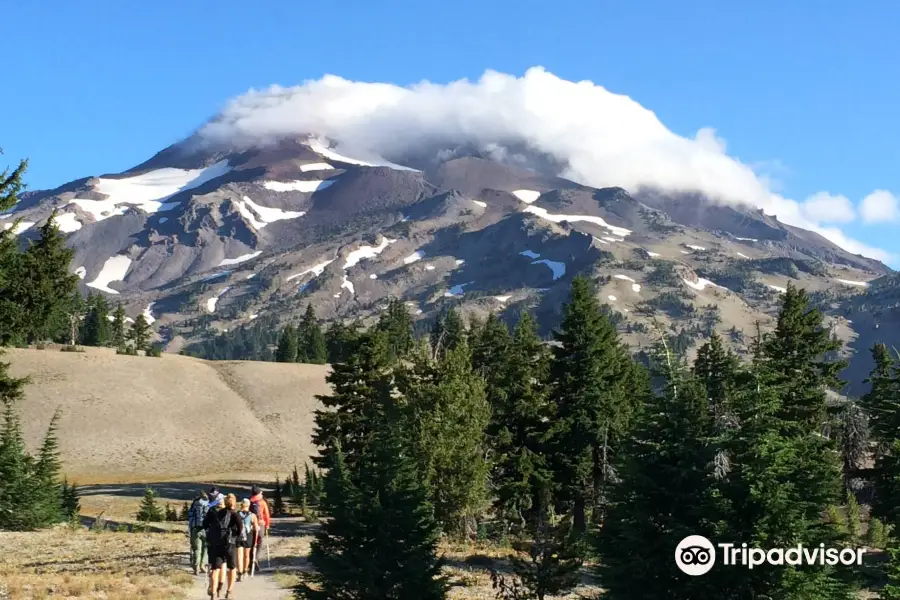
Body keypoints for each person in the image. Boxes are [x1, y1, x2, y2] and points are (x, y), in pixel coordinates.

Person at [202, 492, 242, 599]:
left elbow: (204, 525)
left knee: (215, 568)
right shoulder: (235, 514)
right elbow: (240, 529)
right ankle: (229, 591)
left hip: (217, 544)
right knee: (232, 567)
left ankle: (214, 592)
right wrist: (236, 538)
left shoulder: (217, 514)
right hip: (229, 544)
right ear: (234, 503)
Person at [248, 485, 271, 571]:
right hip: (260, 524)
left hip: (251, 524)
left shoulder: (249, 501)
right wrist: (267, 524)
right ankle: (256, 559)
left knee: (252, 542)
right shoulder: (262, 502)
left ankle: (250, 560)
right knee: (259, 542)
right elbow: (267, 514)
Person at [236, 498, 260, 581]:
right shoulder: (252, 515)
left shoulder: (236, 514)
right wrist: (257, 528)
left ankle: (239, 573)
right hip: (248, 536)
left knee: (239, 555)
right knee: (246, 555)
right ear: (249, 505)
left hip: (238, 536)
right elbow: (256, 527)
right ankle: (245, 571)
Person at [187, 491, 209, 575]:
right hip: (205, 529)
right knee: (205, 548)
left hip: (195, 528)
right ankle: (202, 565)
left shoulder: (194, 505)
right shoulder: (208, 504)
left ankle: (196, 567)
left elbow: (190, 517)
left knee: (197, 549)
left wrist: (190, 527)